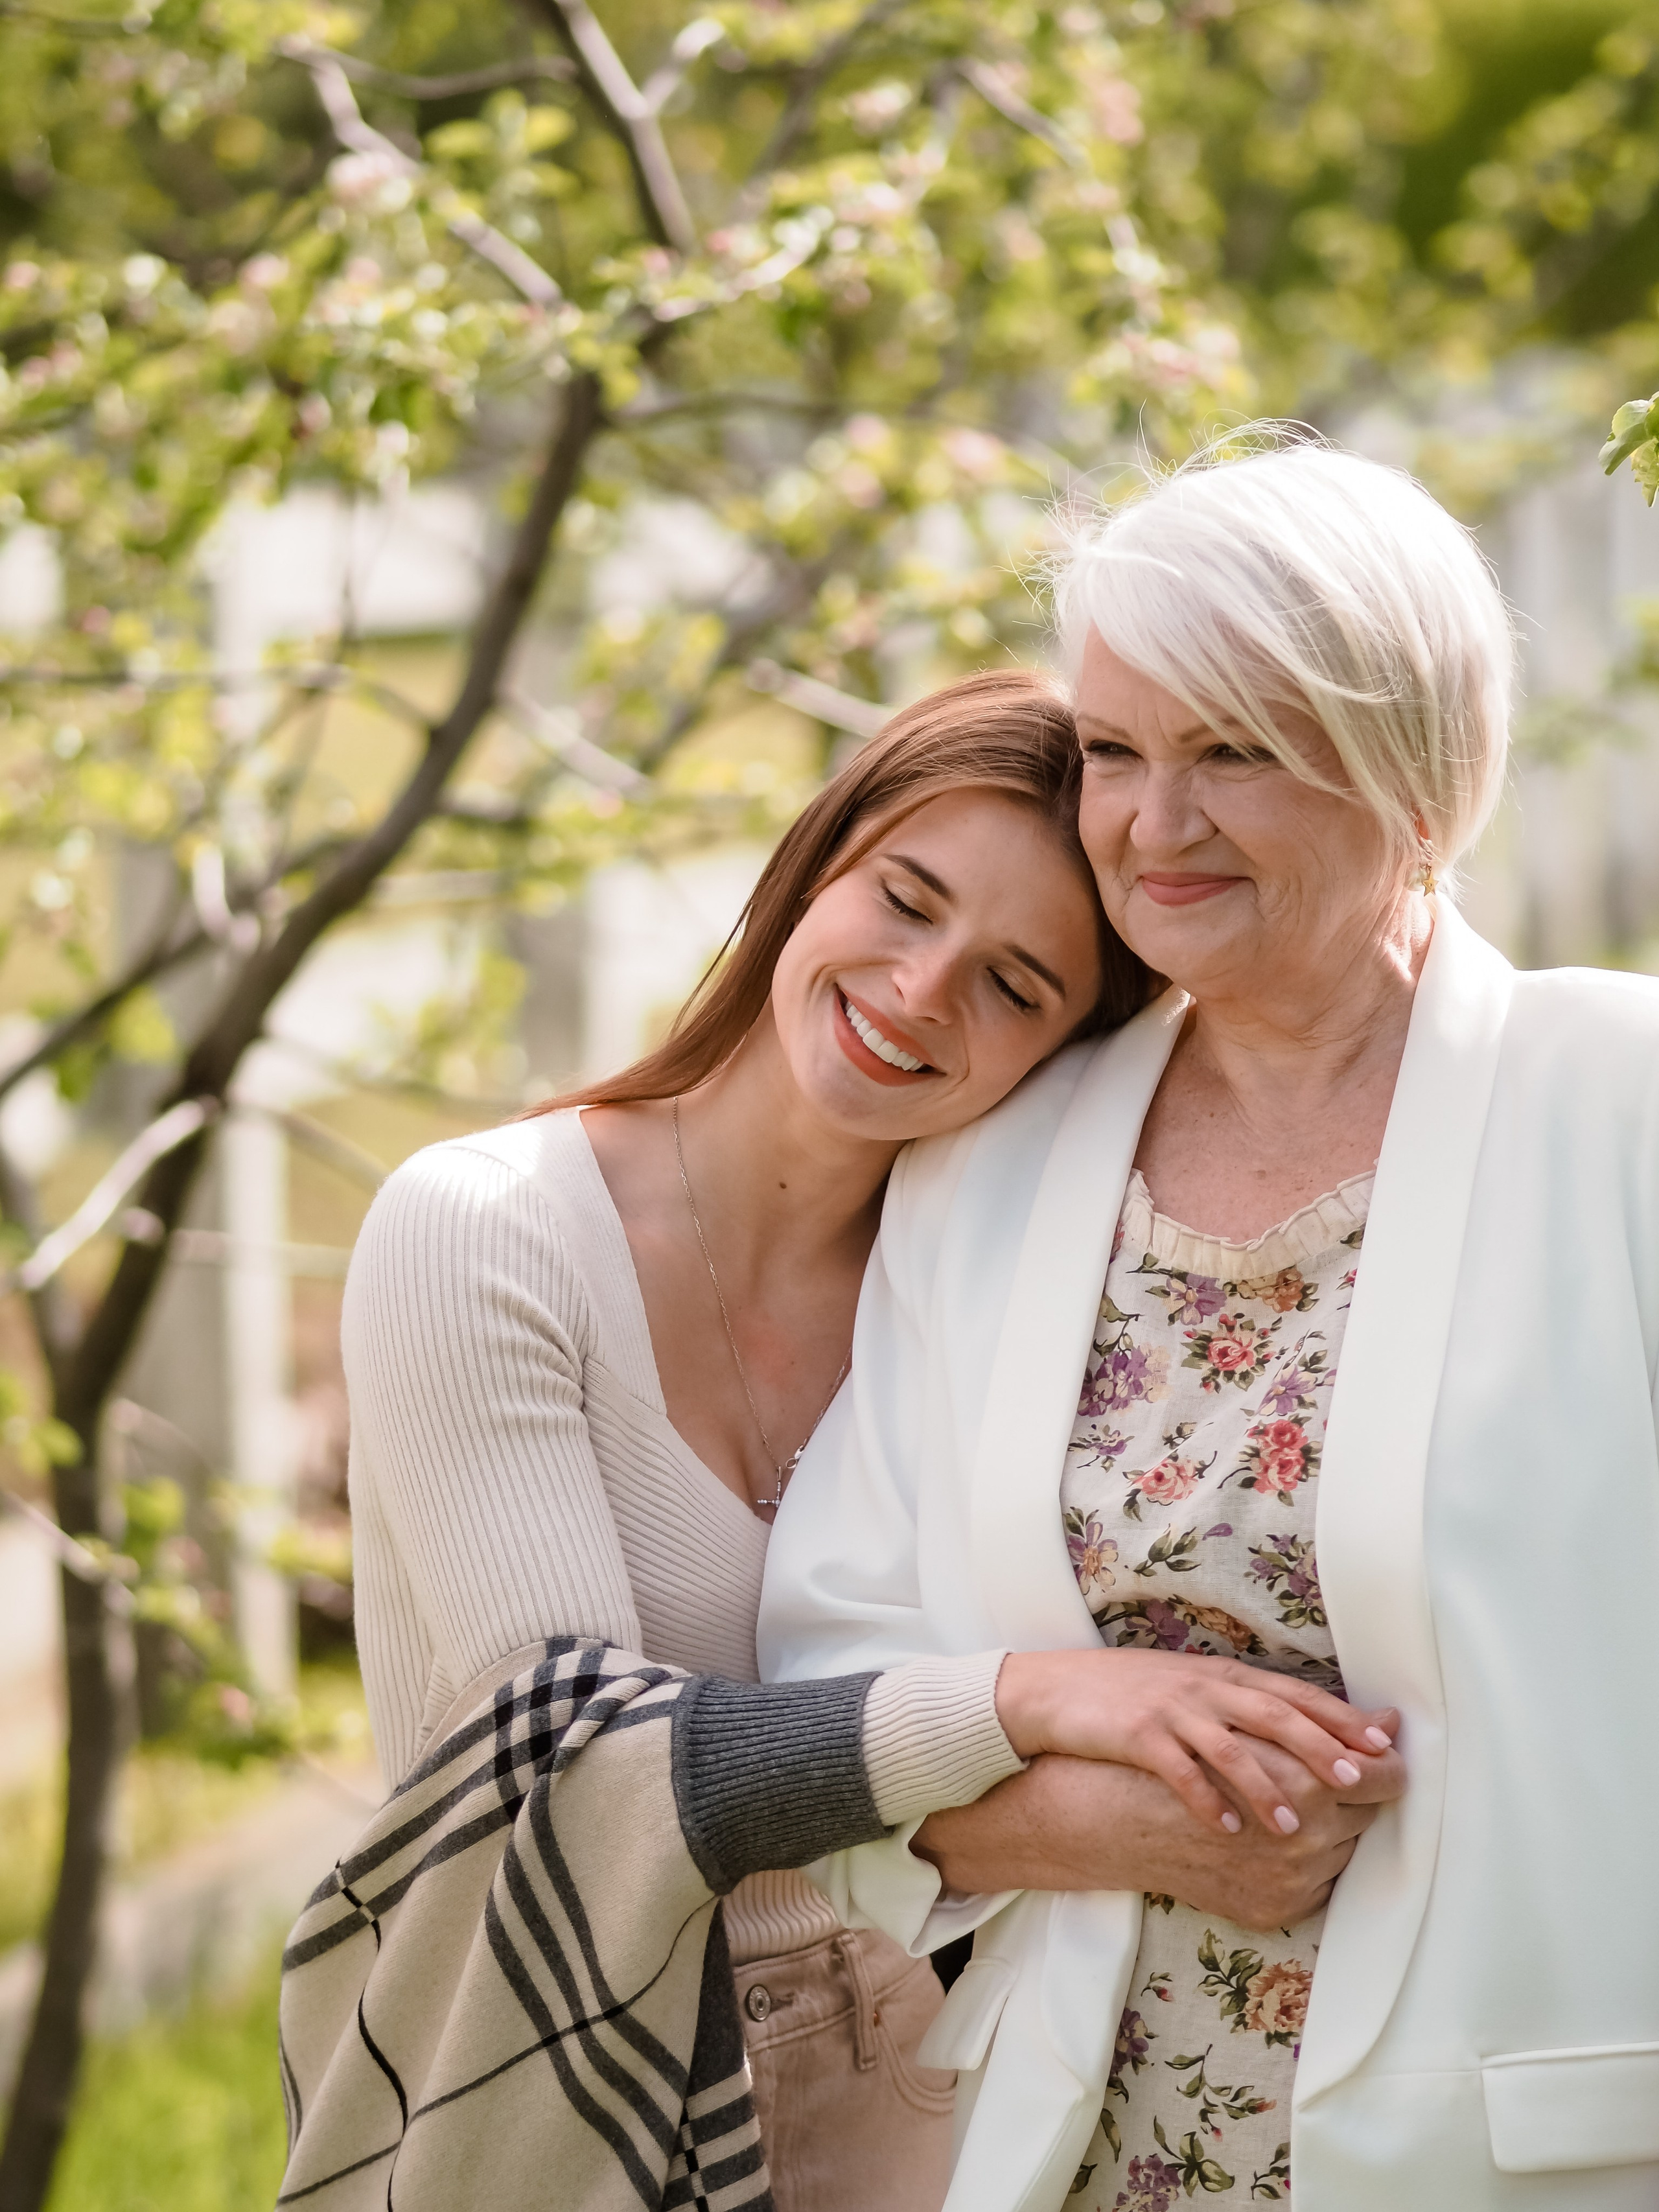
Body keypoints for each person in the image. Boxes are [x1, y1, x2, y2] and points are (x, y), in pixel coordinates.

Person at [760, 436, 1659, 2212]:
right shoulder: (989, 1170)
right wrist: (1105, 1818)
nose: (1150, 826)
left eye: (1234, 749)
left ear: (1410, 764)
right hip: (1081, 2152)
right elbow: (834, 1685)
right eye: (1114, 751)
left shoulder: (1621, 1105)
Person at [345, 668, 1314, 2210]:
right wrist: (1045, 1712)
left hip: (893, 2143)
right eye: (904, 899)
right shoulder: (483, 1235)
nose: (925, 989)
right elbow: (580, 1778)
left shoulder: (988, 1305)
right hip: (543, 2138)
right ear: (813, 864)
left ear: (1068, 1050)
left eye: (1015, 985)